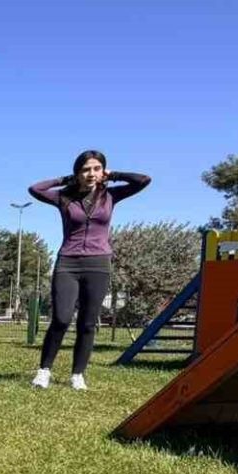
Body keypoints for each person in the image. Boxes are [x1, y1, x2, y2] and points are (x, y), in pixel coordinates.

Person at [28, 150, 150, 390]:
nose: (91, 173)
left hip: (98, 264)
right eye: (85, 169)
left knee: (87, 323)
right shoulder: (64, 197)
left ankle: (77, 374)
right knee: (61, 319)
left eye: (96, 168)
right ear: (78, 173)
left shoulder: (110, 196)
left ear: (102, 171)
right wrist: (65, 180)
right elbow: (35, 189)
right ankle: (44, 371)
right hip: (68, 263)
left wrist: (114, 175)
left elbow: (143, 180)